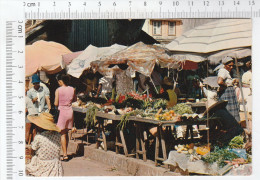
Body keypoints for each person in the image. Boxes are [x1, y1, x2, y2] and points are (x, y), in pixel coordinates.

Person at [26, 112, 63, 176]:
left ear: (40, 126)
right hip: (55, 165)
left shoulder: (39, 137)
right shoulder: (57, 135)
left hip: (42, 165)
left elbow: (33, 148)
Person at [54, 74, 76, 161]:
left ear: (61, 81)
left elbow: (56, 103)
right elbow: (74, 100)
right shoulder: (72, 89)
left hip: (62, 112)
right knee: (66, 132)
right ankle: (65, 152)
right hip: (70, 111)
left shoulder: (58, 90)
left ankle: (65, 154)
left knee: (62, 133)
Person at [217, 57, 240, 122]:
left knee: (231, 110)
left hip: (229, 93)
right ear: (224, 65)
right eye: (229, 65)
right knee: (228, 110)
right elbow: (219, 82)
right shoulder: (223, 71)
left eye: (232, 65)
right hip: (227, 93)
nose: (231, 67)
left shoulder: (226, 71)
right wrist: (227, 85)